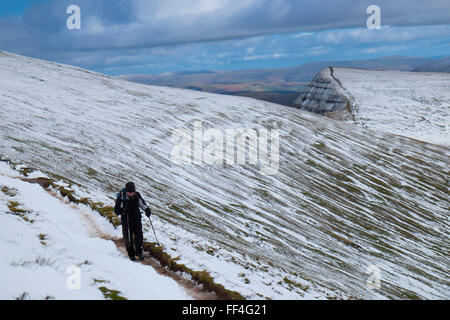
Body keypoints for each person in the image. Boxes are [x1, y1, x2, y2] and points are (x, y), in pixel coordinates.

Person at [114, 182, 152, 261]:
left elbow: (142, 204)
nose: (131, 193)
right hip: (126, 220)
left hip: (136, 218)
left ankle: (139, 252)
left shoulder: (137, 195)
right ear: (127, 191)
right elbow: (116, 210)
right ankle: (131, 254)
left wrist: (147, 210)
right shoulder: (121, 197)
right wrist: (123, 211)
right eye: (130, 192)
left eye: (132, 191)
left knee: (139, 236)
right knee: (128, 237)